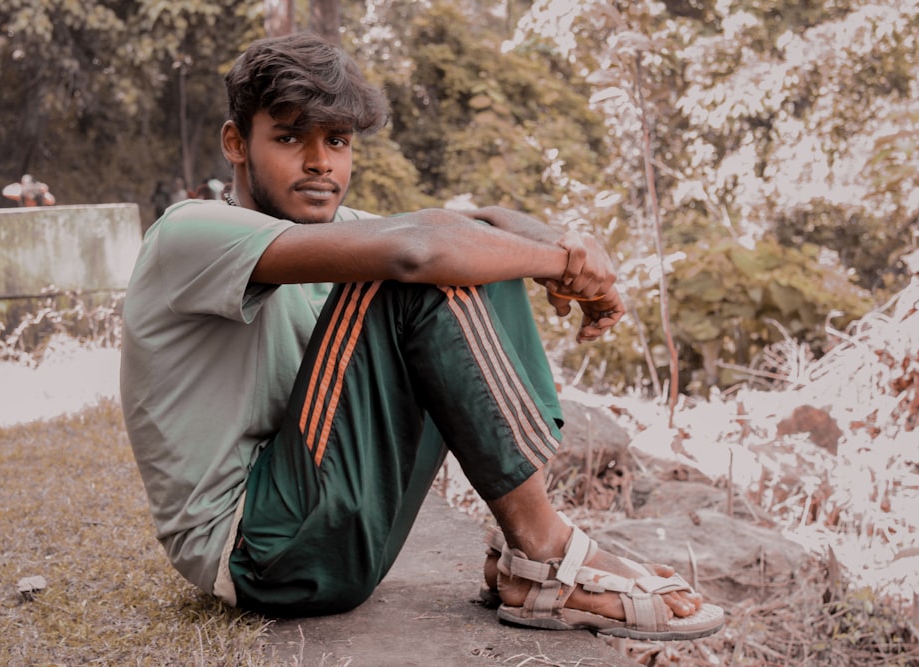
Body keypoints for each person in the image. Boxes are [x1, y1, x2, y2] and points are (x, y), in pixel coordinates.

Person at [120, 33, 724, 641]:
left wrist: (572, 247)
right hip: (259, 549)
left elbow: (479, 225)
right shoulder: (192, 232)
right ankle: (546, 550)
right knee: (422, 270)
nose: (319, 163)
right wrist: (558, 265)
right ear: (235, 143)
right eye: (288, 138)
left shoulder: (336, 233)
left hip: (336, 526)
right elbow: (419, 250)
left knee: (472, 255)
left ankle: (527, 553)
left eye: (337, 141)